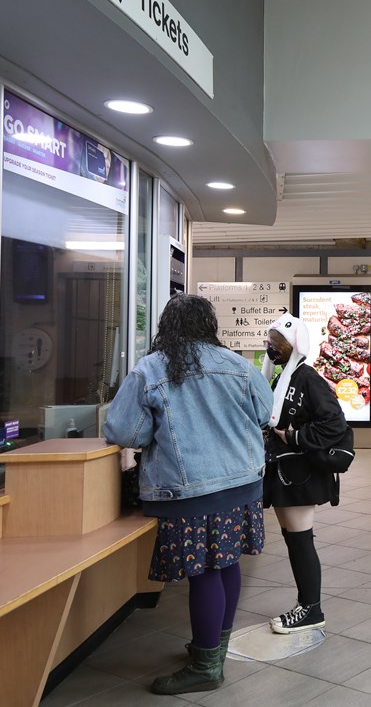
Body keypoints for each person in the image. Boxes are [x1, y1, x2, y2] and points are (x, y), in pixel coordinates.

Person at [104, 294, 272, 696]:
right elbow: (265, 414)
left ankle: (205, 666)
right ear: (208, 325)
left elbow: (124, 431)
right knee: (226, 562)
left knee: (203, 572)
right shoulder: (237, 365)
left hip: (190, 489)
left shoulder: (151, 369)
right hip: (243, 483)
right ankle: (213, 648)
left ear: (167, 327)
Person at [261, 312, 348, 634]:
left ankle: (311, 608)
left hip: (301, 473)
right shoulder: (285, 377)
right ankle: (308, 605)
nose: (269, 350)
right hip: (287, 472)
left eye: (273, 344)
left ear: (289, 347)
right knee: (295, 539)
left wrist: (295, 436)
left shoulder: (306, 378)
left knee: (300, 541)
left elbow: (335, 424)